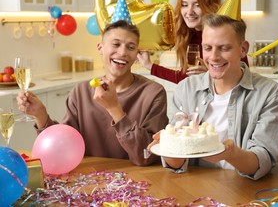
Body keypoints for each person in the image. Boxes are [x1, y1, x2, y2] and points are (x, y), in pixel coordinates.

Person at [149, 14, 278, 180]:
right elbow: (176, 164)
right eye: (207, 48)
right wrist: (169, 145)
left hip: (248, 190)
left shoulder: (270, 94)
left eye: (224, 48)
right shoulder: (186, 89)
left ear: (243, 49)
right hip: (197, 188)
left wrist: (230, 154)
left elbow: (262, 162)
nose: (213, 57)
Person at [17, 20, 169, 166]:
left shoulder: (154, 93)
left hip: (139, 183)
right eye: (116, 44)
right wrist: (41, 115)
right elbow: (63, 146)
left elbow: (146, 156)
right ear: (100, 48)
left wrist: (114, 108)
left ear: (137, 54)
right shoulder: (81, 92)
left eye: (131, 47)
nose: (122, 52)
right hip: (90, 178)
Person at [137, 0, 249, 84]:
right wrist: (149, 65)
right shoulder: (188, 35)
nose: (189, 12)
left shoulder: (226, 35)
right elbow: (187, 79)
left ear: (210, 6)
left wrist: (213, 73)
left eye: (197, 5)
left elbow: (243, 77)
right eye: (184, 5)